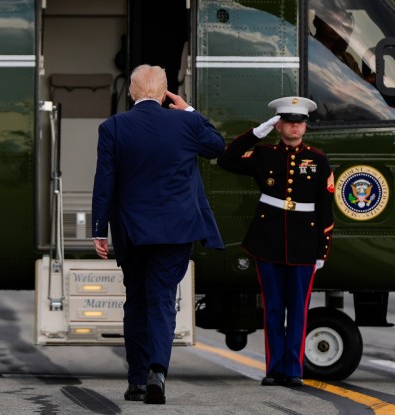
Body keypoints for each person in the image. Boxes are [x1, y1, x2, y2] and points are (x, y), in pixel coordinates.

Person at [92, 64, 225, 404]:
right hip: (177, 230)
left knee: (136, 300)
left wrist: (99, 229)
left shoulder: (114, 127)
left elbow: (104, 182)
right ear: (166, 92)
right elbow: (217, 146)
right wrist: (191, 110)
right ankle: (157, 372)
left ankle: (136, 381)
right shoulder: (187, 123)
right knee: (162, 299)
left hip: (132, 231)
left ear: (132, 91)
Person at [216, 96, 334, 387]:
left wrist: (322, 248)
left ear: (305, 127)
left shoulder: (318, 160)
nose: (295, 128)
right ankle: (273, 368)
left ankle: (293, 370)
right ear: (279, 125)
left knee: (297, 309)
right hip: (268, 242)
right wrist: (257, 132)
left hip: (304, 244)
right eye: (289, 122)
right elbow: (226, 159)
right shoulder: (264, 154)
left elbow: (325, 208)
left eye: (299, 123)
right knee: (272, 308)